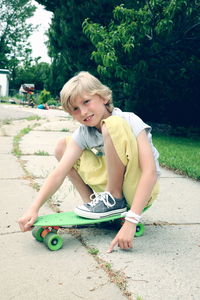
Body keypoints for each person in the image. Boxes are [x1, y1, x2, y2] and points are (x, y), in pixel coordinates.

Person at [18, 71, 160, 253]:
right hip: (113, 185)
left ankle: (114, 199)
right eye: (75, 109)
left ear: (103, 97)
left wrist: (131, 221)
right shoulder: (85, 133)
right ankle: (94, 204)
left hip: (140, 187)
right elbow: (59, 173)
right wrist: (33, 208)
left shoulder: (129, 120)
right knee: (63, 146)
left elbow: (150, 171)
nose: (83, 112)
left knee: (112, 125)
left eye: (86, 102)